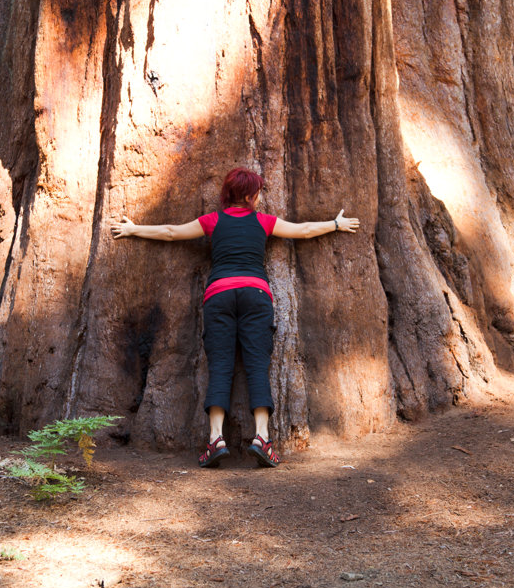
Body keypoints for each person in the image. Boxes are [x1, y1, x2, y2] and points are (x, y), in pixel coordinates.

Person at [110, 167, 359, 468]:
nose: (259, 196)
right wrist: (335, 223)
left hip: (219, 296)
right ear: (249, 195)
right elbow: (303, 230)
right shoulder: (263, 221)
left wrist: (134, 229)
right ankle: (262, 439)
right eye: (258, 192)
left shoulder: (213, 221)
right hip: (256, 296)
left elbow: (172, 232)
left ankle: (216, 438)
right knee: (257, 364)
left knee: (221, 365)